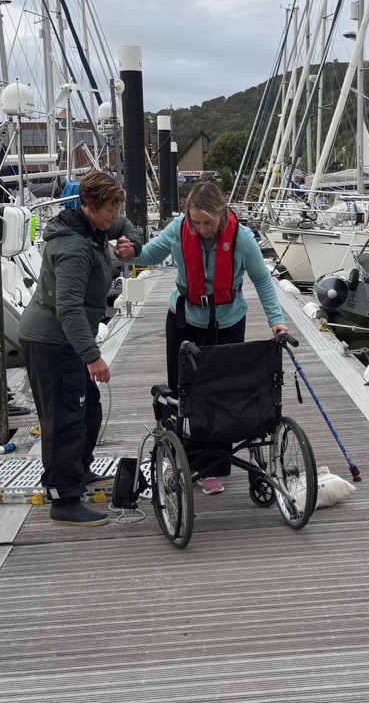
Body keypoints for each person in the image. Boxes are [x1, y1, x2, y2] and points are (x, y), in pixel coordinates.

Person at [115, 181, 287, 495]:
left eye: (208, 222)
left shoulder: (242, 239)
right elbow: (150, 254)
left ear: (221, 216)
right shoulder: (180, 229)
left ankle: (213, 466)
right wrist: (131, 252)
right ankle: (184, 458)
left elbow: (262, 279)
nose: (202, 228)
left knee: (221, 394)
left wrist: (277, 321)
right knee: (185, 394)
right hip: (185, 320)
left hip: (228, 321)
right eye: (196, 221)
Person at [19, 171, 143, 526]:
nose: (115, 214)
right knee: (64, 421)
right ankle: (64, 498)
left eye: (118, 205)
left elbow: (125, 225)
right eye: (110, 208)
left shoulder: (95, 225)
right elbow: (68, 307)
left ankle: (79, 472)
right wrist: (92, 357)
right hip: (52, 341)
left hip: (69, 338)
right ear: (90, 206)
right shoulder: (73, 247)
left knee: (88, 412)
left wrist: (129, 244)